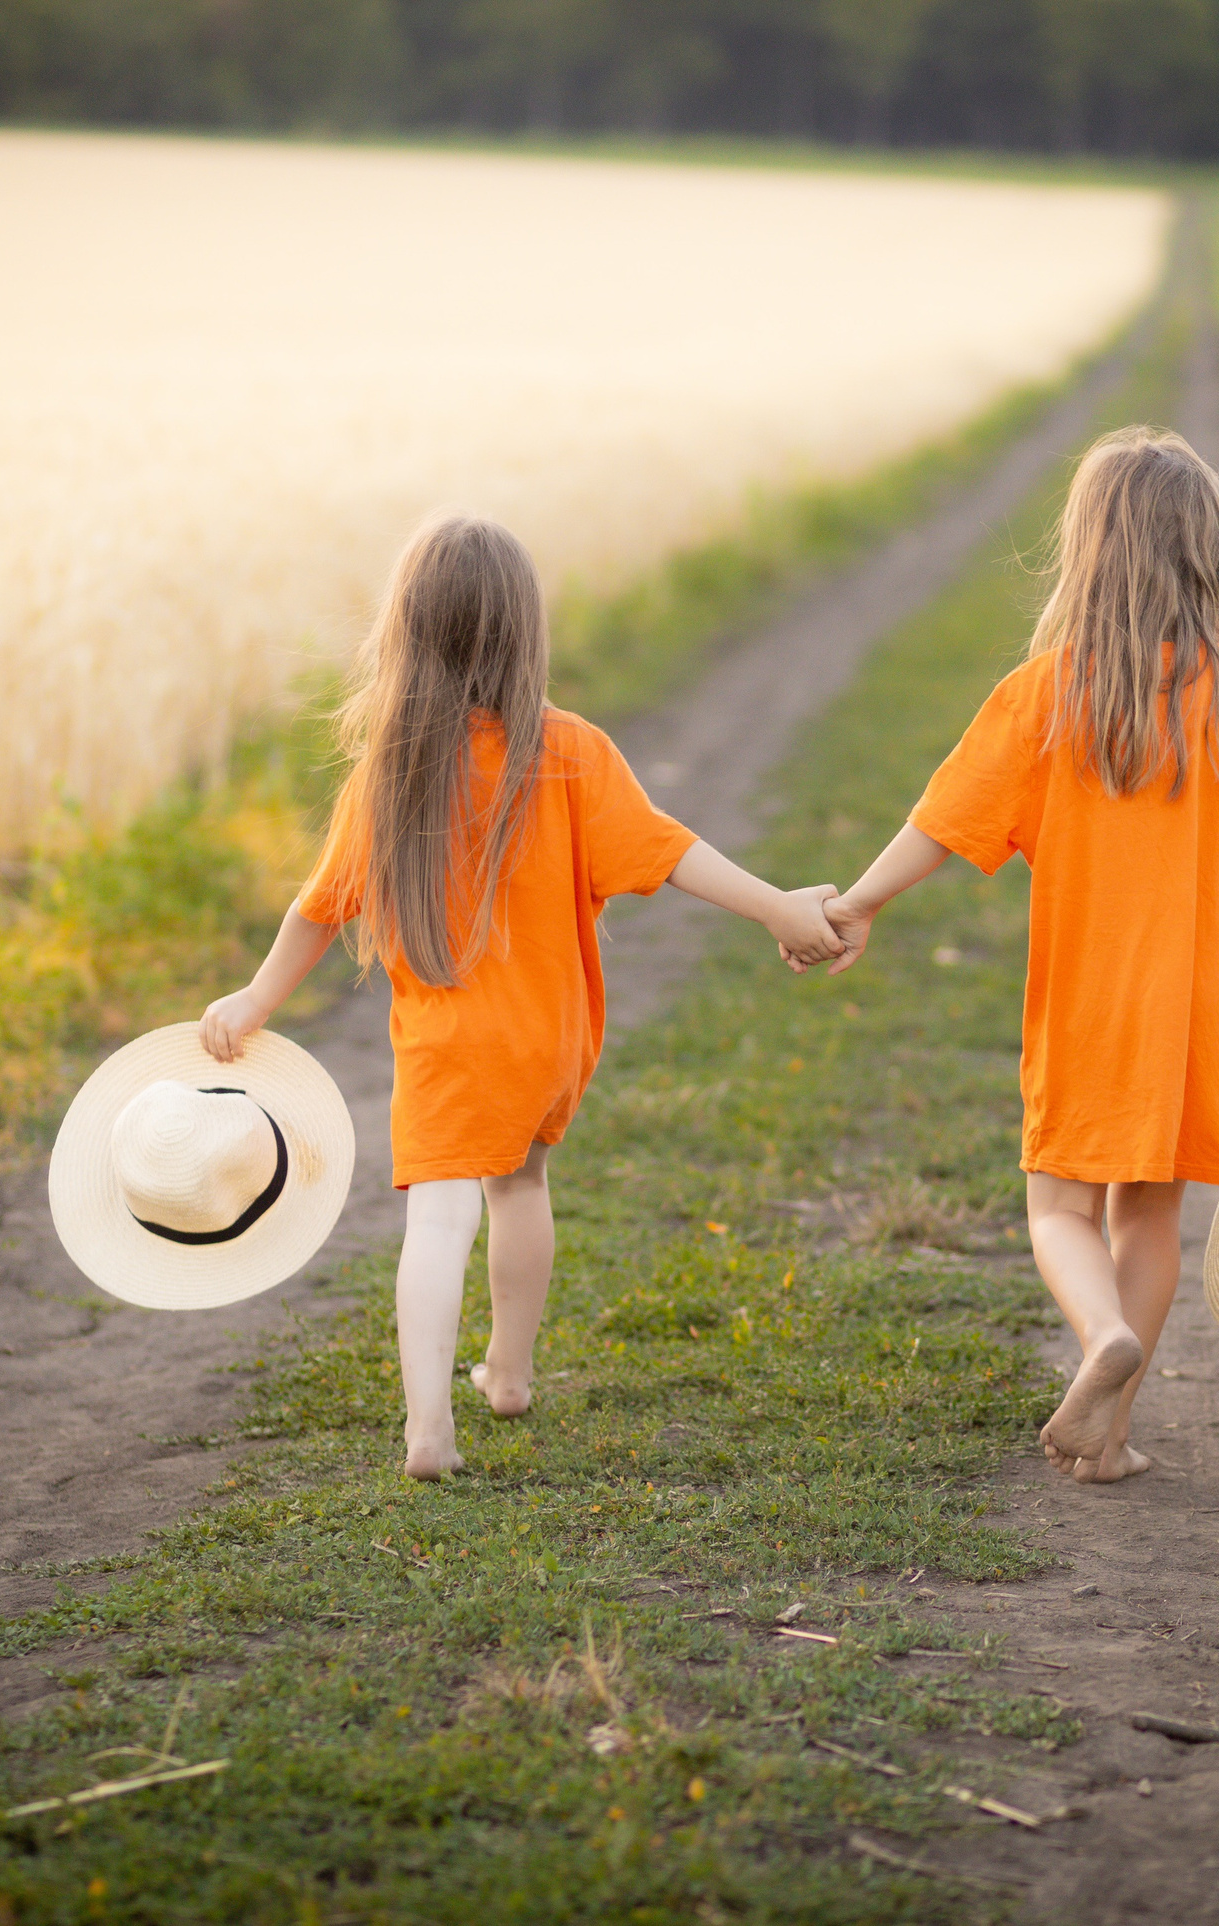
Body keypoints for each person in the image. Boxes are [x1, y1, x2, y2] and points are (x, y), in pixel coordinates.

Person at [201, 516, 845, 1478]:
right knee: (524, 1187)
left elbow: (318, 909)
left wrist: (255, 1001)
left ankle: (428, 1429)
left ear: (404, 634)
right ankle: (507, 1372)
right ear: (523, 633)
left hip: (450, 1051)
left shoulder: (392, 770)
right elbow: (672, 854)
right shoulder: (571, 750)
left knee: (438, 1222)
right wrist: (776, 910)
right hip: (546, 1041)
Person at [818, 426, 1219, 1485]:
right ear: (1210, 555)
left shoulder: (1046, 694)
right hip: (1198, 1012)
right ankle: (1112, 1434)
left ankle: (1097, 1339)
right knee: (1151, 1212)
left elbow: (940, 824)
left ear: (1088, 552)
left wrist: (856, 903)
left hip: (1088, 1002)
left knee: (1059, 1207)